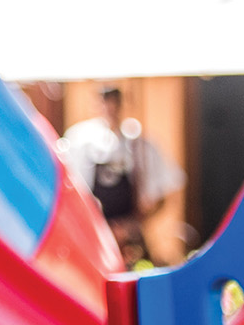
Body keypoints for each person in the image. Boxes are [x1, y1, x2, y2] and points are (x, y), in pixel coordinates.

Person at [62, 84, 184, 266]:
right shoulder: (79, 143)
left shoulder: (140, 146)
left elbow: (163, 195)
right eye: (105, 103)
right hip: (93, 236)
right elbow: (68, 191)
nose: (109, 109)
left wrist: (131, 225)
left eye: (114, 103)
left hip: (130, 240)